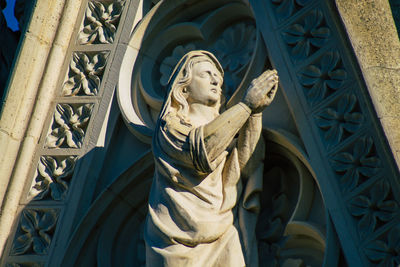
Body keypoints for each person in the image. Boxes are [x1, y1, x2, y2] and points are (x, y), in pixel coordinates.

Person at [145, 50, 278, 267]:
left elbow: (244, 167)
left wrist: (255, 113)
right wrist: (246, 107)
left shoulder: (227, 128)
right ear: (184, 85)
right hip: (176, 243)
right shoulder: (169, 127)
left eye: (218, 76)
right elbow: (201, 151)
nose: (216, 80)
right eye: (206, 74)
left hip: (223, 228)